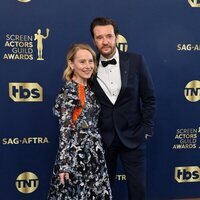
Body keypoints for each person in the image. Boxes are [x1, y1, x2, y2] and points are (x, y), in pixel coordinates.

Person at [89, 17, 156, 200]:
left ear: (116, 37)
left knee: (138, 190)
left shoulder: (136, 61)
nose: (105, 41)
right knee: (102, 191)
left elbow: (149, 98)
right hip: (103, 139)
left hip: (134, 136)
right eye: (100, 37)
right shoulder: (89, 66)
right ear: (94, 40)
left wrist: (146, 129)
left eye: (109, 36)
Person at [47, 43, 112, 200]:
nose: (88, 66)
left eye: (91, 61)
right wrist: (64, 166)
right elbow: (65, 129)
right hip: (76, 158)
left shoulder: (92, 89)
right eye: (82, 62)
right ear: (71, 64)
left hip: (95, 155)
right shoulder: (68, 92)